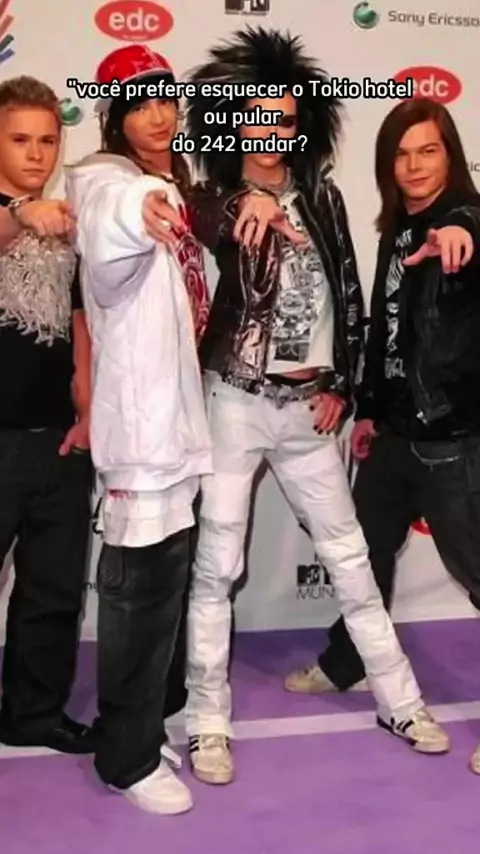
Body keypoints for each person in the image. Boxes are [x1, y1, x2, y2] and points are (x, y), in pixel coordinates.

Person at [151, 27, 449, 785]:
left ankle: (401, 700)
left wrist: (342, 385)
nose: (271, 132)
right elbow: (204, 215)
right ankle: (207, 721)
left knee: (351, 558)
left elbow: (347, 293)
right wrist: (241, 201)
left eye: (284, 118)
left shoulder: (323, 196)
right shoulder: (211, 195)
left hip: (308, 408)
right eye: (257, 117)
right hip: (234, 399)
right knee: (217, 565)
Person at [285, 97, 480, 773]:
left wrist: (461, 233)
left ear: (451, 156)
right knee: (361, 557)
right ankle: (348, 662)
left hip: (451, 439)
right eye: (401, 154)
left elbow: (469, 229)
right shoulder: (398, 231)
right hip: (393, 432)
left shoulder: (460, 220)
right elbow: (386, 330)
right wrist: (367, 408)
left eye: (428, 151)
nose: (414, 165)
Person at [65, 45, 211, 815]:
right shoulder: (106, 180)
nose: (158, 114)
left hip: (174, 433)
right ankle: (125, 759)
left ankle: (147, 726)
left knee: (165, 597)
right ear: (115, 117)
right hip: (140, 439)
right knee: (137, 602)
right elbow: (107, 225)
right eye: (139, 103)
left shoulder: (172, 182)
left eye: (165, 99)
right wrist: (140, 206)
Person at [0, 76, 94, 754]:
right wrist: (19, 215)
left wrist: (86, 408)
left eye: (47, 140)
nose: (36, 153)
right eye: (19, 139)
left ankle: (33, 715)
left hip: (59, 440)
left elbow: (81, 319)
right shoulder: (27, 215)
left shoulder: (67, 220)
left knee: (53, 590)